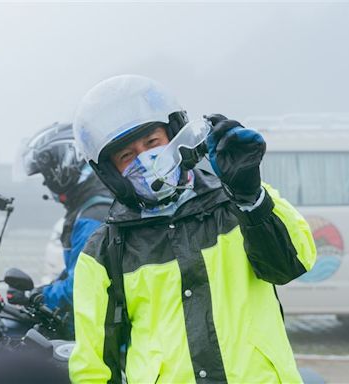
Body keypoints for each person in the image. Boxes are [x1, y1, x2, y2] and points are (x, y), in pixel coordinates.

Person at [69, 75, 316, 383]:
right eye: (127, 156)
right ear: (111, 172)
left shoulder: (236, 200)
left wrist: (251, 199)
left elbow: (293, 263)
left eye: (152, 143)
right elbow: (92, 366)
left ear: (174, 136)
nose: (145, 160)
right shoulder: (105, 251)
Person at [20, 122, 112, 327]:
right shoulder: (90, 204)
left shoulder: (94, 215)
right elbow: (75, 271)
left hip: (102, 338)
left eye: (46, 174)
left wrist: (37, 297)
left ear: (65, 162)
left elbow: (80, 286)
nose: (46, 182)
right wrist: (42, 290)